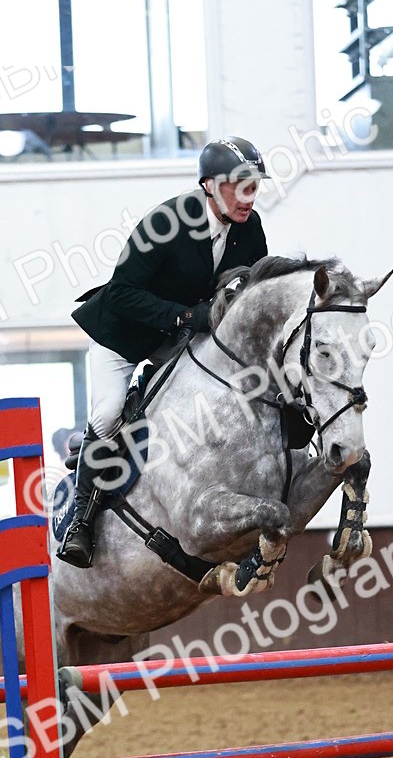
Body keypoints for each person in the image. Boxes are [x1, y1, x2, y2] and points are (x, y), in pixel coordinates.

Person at [57, 135, 270, 568]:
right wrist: (187, 317)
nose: (248, 195)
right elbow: (120, 293)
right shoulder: (166, 222)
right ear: (209, 185)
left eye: (254, 185)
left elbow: (255, 289)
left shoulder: (250, 228)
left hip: (178, 344)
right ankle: (82, 519)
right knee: (110, 410)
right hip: (124, 336)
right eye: (239, 184)